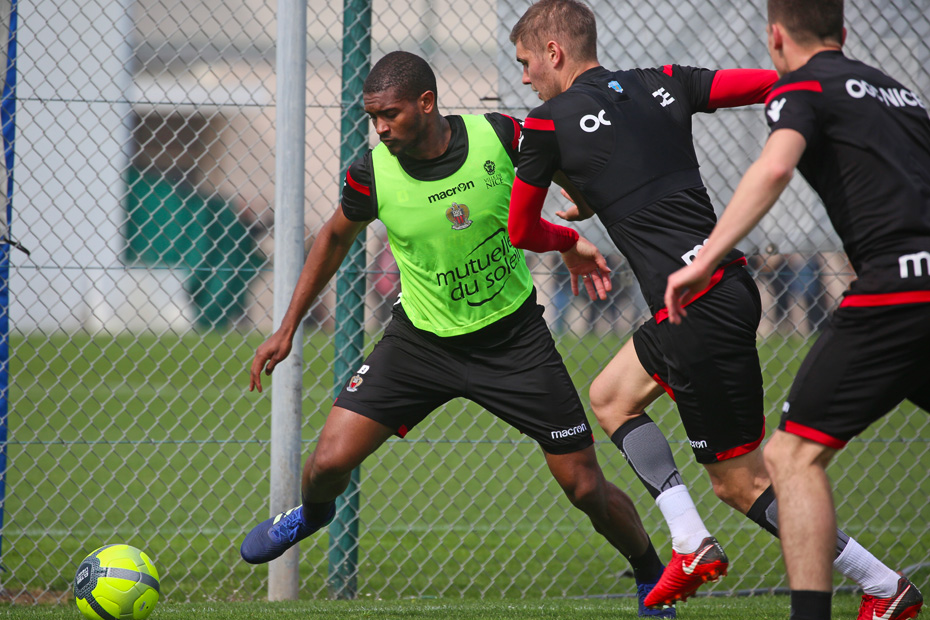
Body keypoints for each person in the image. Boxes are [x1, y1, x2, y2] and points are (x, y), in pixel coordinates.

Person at [506, 0, 911, 614]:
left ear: (554, 53)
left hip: (693, 308)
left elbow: (521, 229)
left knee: (742, 484)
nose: (525, 77)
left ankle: (882, 584)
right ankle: (689, 540)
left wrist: (571, 238)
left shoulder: (544, 125)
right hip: (725, 291)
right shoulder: (665, 81)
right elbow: (772, 82)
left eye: (526, 63)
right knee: (611, 396)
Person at [239, 50, 675, 618]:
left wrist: (581, 210)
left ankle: (651, 573)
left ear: (426, 103)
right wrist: (286, 328)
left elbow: (565, 160)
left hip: (514, 342)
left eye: (390, 114)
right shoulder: (373, 172)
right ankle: (312, 516)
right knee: (326, 463)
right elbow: (333, 238)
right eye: (373, 117)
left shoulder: (499, 136)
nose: (380, 127)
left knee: (585, 487)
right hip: (420, 344)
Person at [664, 0, 929, 618]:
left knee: (791, 456)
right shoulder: (901, 95)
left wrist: (705, 259)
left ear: (776, 36)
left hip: (897, 289)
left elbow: (775, 165)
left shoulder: (801, 88)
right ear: (844, 31)